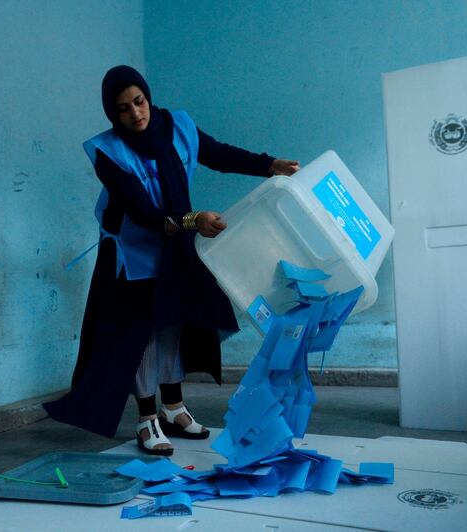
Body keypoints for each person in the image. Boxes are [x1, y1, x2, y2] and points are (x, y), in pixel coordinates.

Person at [44, 65, 299, 455]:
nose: (135, 114)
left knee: (173, 324)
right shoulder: (108, 152)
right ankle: (147, 418)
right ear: (113, 115)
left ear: (148, 96)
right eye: (123, 109)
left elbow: (219, 154)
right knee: (142, 333)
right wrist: (192, 220)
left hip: (178, 243)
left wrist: (268, 164)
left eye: (139, 102)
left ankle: (174, 407)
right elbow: (141, 212)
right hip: (133, 253)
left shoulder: (178, 126)